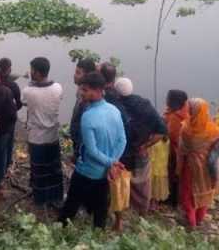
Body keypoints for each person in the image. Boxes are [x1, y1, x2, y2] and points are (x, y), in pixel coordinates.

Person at [59, 72, 126, 228]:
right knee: (100, 208)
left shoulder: (88, 116)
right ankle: (98, 236)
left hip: (87, 171)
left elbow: (91, 151)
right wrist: (113, 162)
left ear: (98, 91)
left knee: (71, 205)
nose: (82, 93)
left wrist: (111, 162)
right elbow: (122, 140)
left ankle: (60, 231)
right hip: (105, 172)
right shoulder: (114, 110)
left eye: (85, 90)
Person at [115, 77, 167, 216]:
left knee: (121, 182)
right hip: (140, 151)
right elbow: (162, 131)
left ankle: (121, 210)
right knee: (142, 183)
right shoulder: (145, 105)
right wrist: (146, 145)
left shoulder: (115, 106)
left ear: (117, 92)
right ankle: (141, 211)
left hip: (121, 153)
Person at [22, 57, 64, 206]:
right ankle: (56, 196)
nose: (30, 72)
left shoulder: (28, 91)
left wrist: (30, 82)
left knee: (38, 169)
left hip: (36, 138)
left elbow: (25, 101)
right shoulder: (58, 87)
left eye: (32, 70)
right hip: (52, 136)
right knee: (54, 168)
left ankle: (40, 198)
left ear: (38, 73)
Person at [177, 98, 219, 228]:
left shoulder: (186, 129)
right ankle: (199, 218)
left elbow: (182, 149)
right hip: (208, 165)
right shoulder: (214, 129)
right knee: (204, 190)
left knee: (189, 192)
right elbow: (218, 147)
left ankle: (191, 222)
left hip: (191, 165)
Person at [0, 59, 18, 194]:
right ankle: (1, 177)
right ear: (9, 69)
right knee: (4, 151)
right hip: (5, 126)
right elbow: (16, 108)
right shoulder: (10, 87)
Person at [163, 90, 189, 207]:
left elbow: (171, 136)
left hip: (175, 151)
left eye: (168, 98)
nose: (166, 100)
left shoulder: (176, 118)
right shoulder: (186, 111)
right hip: (183, 151)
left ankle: (173, 200)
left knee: (173, 175)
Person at [69, 58, 97, 162]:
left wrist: (78, 151)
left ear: (87, 76)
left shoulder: (88, 100)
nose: (74, 75)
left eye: (78, 73)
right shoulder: (80, 90)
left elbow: (84, 128)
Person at [0, 58, 22, 171]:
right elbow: (19, 104)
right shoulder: (13, 86)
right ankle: (7, 164)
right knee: (8, 142)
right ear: (9, 69)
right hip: (8, 120)